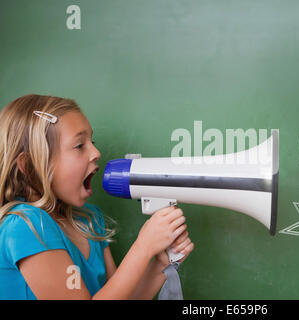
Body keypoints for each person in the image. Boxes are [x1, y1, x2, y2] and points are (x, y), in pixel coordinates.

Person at [0, 94, 194, 299]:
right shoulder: (25, 226)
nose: (96, 152)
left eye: (91, 142)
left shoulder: (89, 220)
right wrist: (143, 247)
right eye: (79, 146)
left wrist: (159, 266)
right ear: (29, 166)